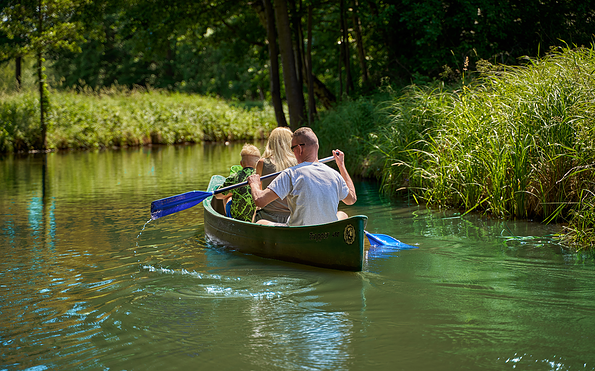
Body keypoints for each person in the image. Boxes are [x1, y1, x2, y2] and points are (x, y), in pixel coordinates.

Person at [247, 127, 357, 226]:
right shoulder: (335, 174)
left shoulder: (290, 174)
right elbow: (351, 199)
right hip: (327, 230)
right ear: (317, 146)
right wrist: (341, 166)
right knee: (342, 214)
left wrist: (254, 184)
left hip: (300, 232)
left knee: (261, 222)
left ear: (299, 149)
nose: (292, 152)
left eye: (292, 148)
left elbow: (260, 201)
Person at [253, 127, 297, 223]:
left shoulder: (262, 163)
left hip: (267, 217)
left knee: (256, 210)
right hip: (293, 218)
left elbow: (259, 196)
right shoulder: (298, 163)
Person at [215, 143, 261, 222]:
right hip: (256, 218)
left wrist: (231, 192)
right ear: (258, 164)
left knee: (226, 197)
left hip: (238, 218)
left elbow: (218, 195)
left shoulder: (234, 177)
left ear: (241, 164)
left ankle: (229, 220)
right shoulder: (262, 176)